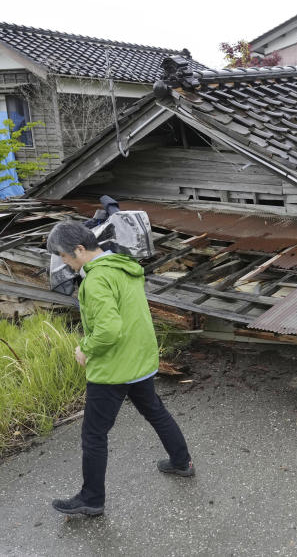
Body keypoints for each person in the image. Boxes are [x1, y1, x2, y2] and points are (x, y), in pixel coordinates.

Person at [47, 221, 193, 516]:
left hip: (114, 368)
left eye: (63, 255)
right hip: (139, 360)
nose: (63, 262)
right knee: (155, 411)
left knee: (93, 435)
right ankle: (181, 462)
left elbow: (109, 329)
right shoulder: (123, 266)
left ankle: (91, 499)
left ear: (78, 249)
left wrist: (84, 348)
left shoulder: (97, 279)